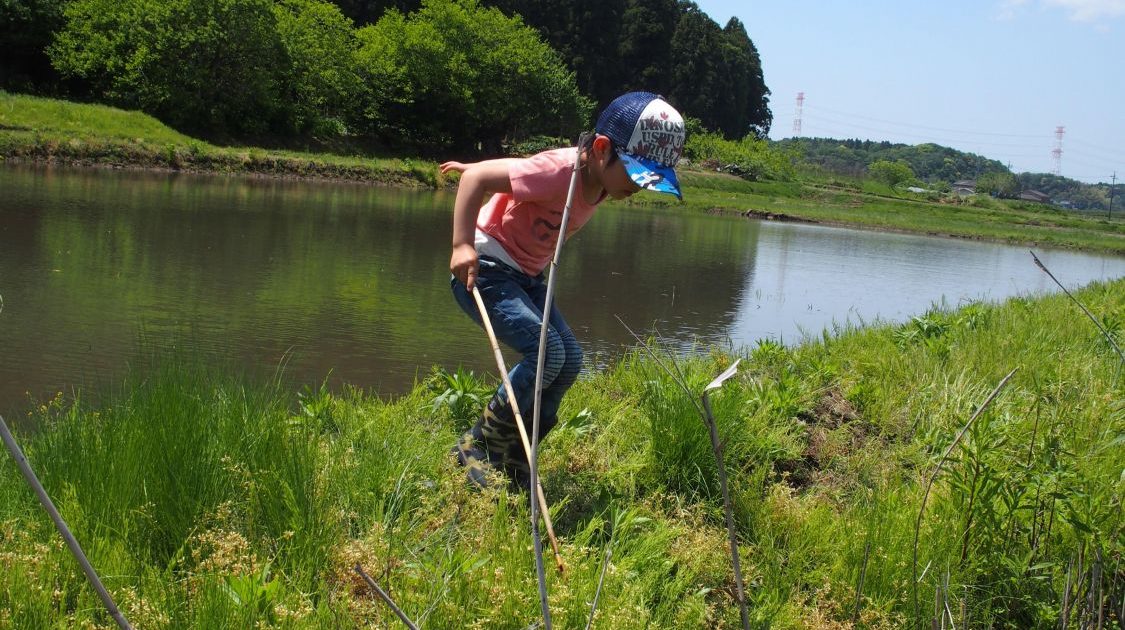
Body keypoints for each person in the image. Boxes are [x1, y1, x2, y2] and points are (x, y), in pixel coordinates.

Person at [442, 91, 686, 490]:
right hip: (488, 269)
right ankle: (479, 446)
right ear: (602, 149)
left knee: (569, 360)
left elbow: (512, 172)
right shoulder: (560, 171)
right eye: (637, 175)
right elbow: (477, 179)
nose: (639, 188)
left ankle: (520, 449)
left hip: (528, 276)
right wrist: (461, 245)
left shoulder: (604, 180)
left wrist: (488, 168)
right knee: (546, 351)